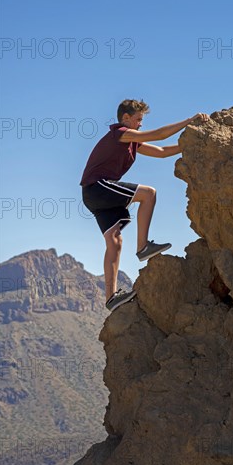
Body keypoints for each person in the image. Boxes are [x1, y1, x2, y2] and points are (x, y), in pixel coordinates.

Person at [80, 99, 210, 311]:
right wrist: (189, 121)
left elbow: (161, 151)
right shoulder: (120, 133)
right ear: (126, 118)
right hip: (98, 187)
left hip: (93, 194)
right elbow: (158, 135)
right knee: (148, 194)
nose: (141, 124)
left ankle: (111, 298)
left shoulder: (132, 141)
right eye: (139, 119)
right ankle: (143, 247)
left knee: (114, 242)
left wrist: (187, 144)